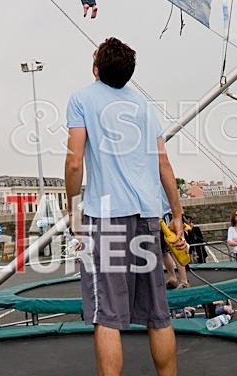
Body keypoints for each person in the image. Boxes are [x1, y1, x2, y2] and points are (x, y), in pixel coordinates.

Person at [65, 37, 185, 376]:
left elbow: (75, 162)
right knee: (158, 315)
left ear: (96, 69)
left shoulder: (82, 99)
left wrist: (74, 210)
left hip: (107, 219)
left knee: (107, 315)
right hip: (148, 215)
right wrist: (176, 215)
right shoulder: (145, 107)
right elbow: (164, 165)